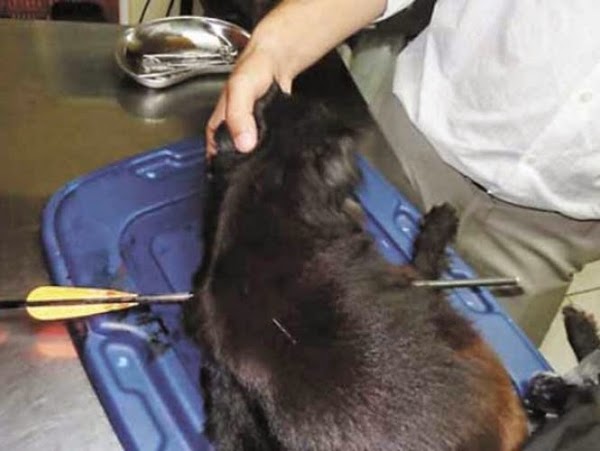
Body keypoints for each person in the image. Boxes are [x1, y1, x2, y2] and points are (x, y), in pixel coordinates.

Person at [205, 0, 600, 346]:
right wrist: (274, 47)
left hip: (552, 233)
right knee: (288, 311)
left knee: (468, 385)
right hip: (407, 144)